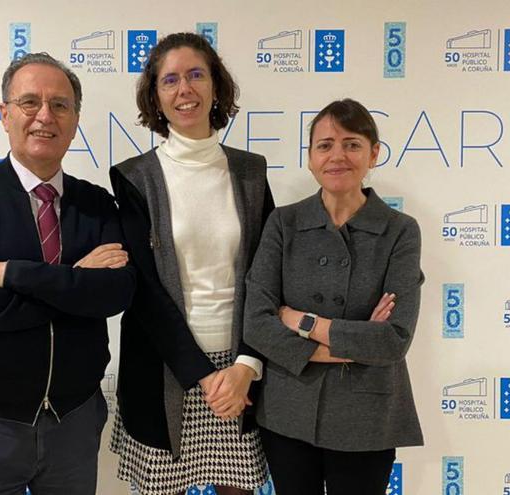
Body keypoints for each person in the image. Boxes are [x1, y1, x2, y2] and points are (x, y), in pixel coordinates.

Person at [0, 52, 135, 495]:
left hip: (73, 422)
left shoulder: (96, 203)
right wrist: (73, 282)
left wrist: (16, 274)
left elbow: (114, 292)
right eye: (29, 102)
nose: (45, 115)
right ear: (4, 114)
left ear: (75, 119)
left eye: (60, 104)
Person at [108, 32, 272, 495]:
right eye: (171, 80)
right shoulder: (133, 178)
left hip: (239, 370)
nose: (185, 90)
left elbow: (266, 276)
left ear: (216, 87)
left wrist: (245, 366)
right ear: (156, 97)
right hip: (165, 369)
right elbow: (142, 289)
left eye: (197, 75)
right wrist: (201, 372)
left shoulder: (251, 173)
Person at [243, 98, 424, 495]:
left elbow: (393, 339)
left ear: (373, 153)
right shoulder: (283, 223)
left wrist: (304, 323)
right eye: (325, 145)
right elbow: (256, 322)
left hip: (367, 416)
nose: (337, 155)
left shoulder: (400, 231)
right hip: (289, 411)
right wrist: (348, 344)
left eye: (352, 144)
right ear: (310, 157)